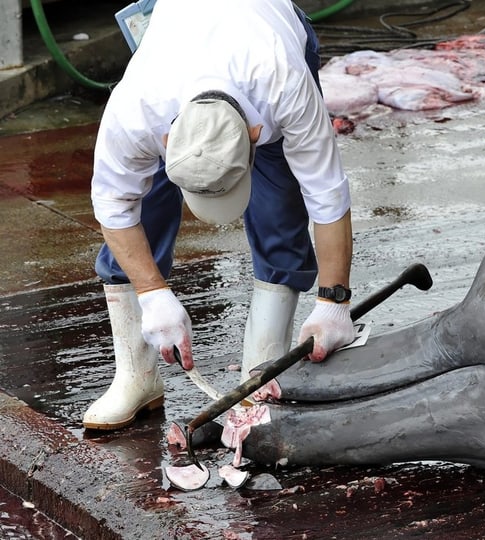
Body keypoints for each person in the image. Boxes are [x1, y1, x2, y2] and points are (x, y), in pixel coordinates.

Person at [83, 0, 356, 431]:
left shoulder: (283, 83)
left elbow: (326, 194)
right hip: (178, 43)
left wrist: (333, 301)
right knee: (145, 206)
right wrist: (152, 293)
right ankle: (135, 376)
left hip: (264, 26)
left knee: (280, 209)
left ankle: (259, 378)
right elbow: (114, 205)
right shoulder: (138, 107)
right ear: (168, 140)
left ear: (254, 136)